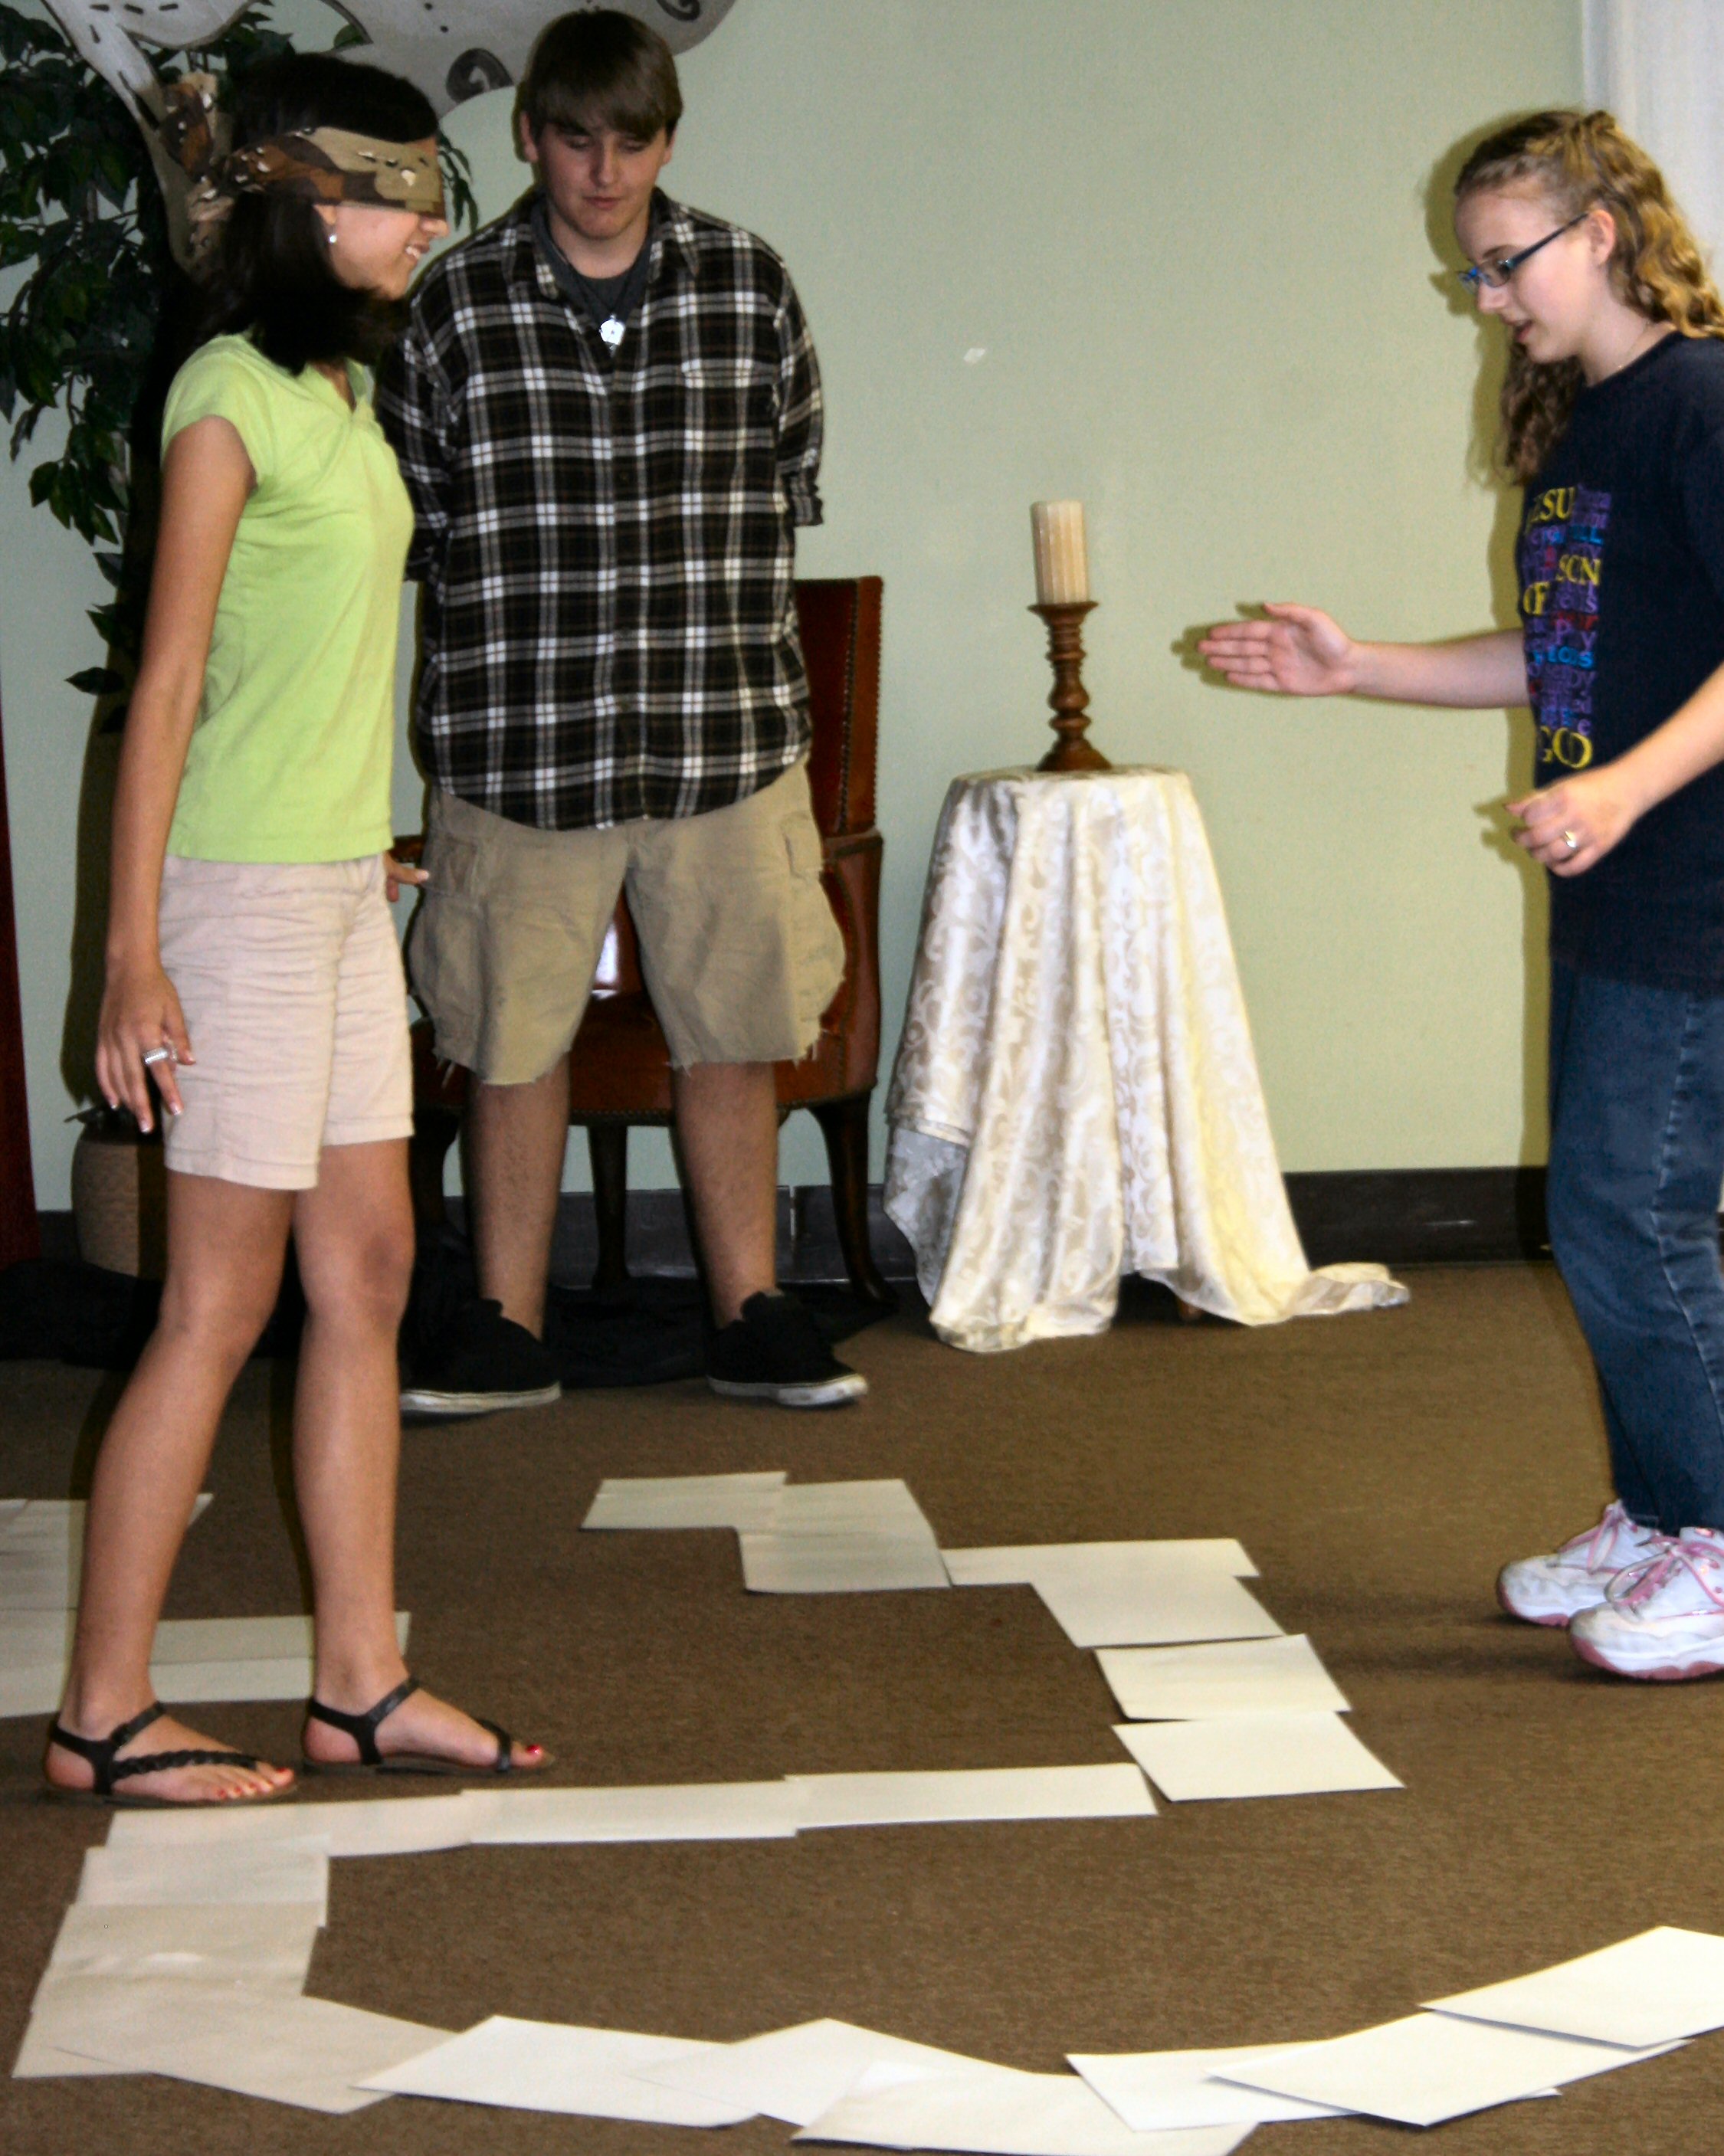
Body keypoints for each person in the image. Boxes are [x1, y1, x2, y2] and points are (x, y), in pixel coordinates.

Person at [47, 53, 549, 1804]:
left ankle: (362, 1683)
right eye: (399, 194)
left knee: (373, 1280)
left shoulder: (338, 392)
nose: (425, 223)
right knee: (217, 1303)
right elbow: (166, 678)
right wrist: (133, 949)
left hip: (332, 888)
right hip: (239, 900)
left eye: (432, 194)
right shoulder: (225, 394)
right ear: (307, 198)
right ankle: (105, 1710)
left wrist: (362, 859)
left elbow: (303, 672)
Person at [1200, 108, 1724, 1683]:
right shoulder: (1587, 428)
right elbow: (1560, 658)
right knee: (1601, 1216)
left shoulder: (1703, 404)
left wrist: (1626, 785)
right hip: (1614, 883)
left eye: (1506, 265)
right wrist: (1355, 670)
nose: (1490, 298)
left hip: (1692, 886)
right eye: (1474, 273)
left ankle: (1717, 1533)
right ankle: (1663, 1506)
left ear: (1604, 234)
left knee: (1634, 1218)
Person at [377, 8, 865, 1417]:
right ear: (529, 136)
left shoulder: (748, 284)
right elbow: (419, 525)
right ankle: (504, 1329)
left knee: (735, 1025)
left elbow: (788, 485)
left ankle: (752, 1311)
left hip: (721, 737)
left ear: (667, 139)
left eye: (631, 139)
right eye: (575, 138)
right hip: (516, 743)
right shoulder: (456, 305)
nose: (602, 169)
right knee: (506, 1032)